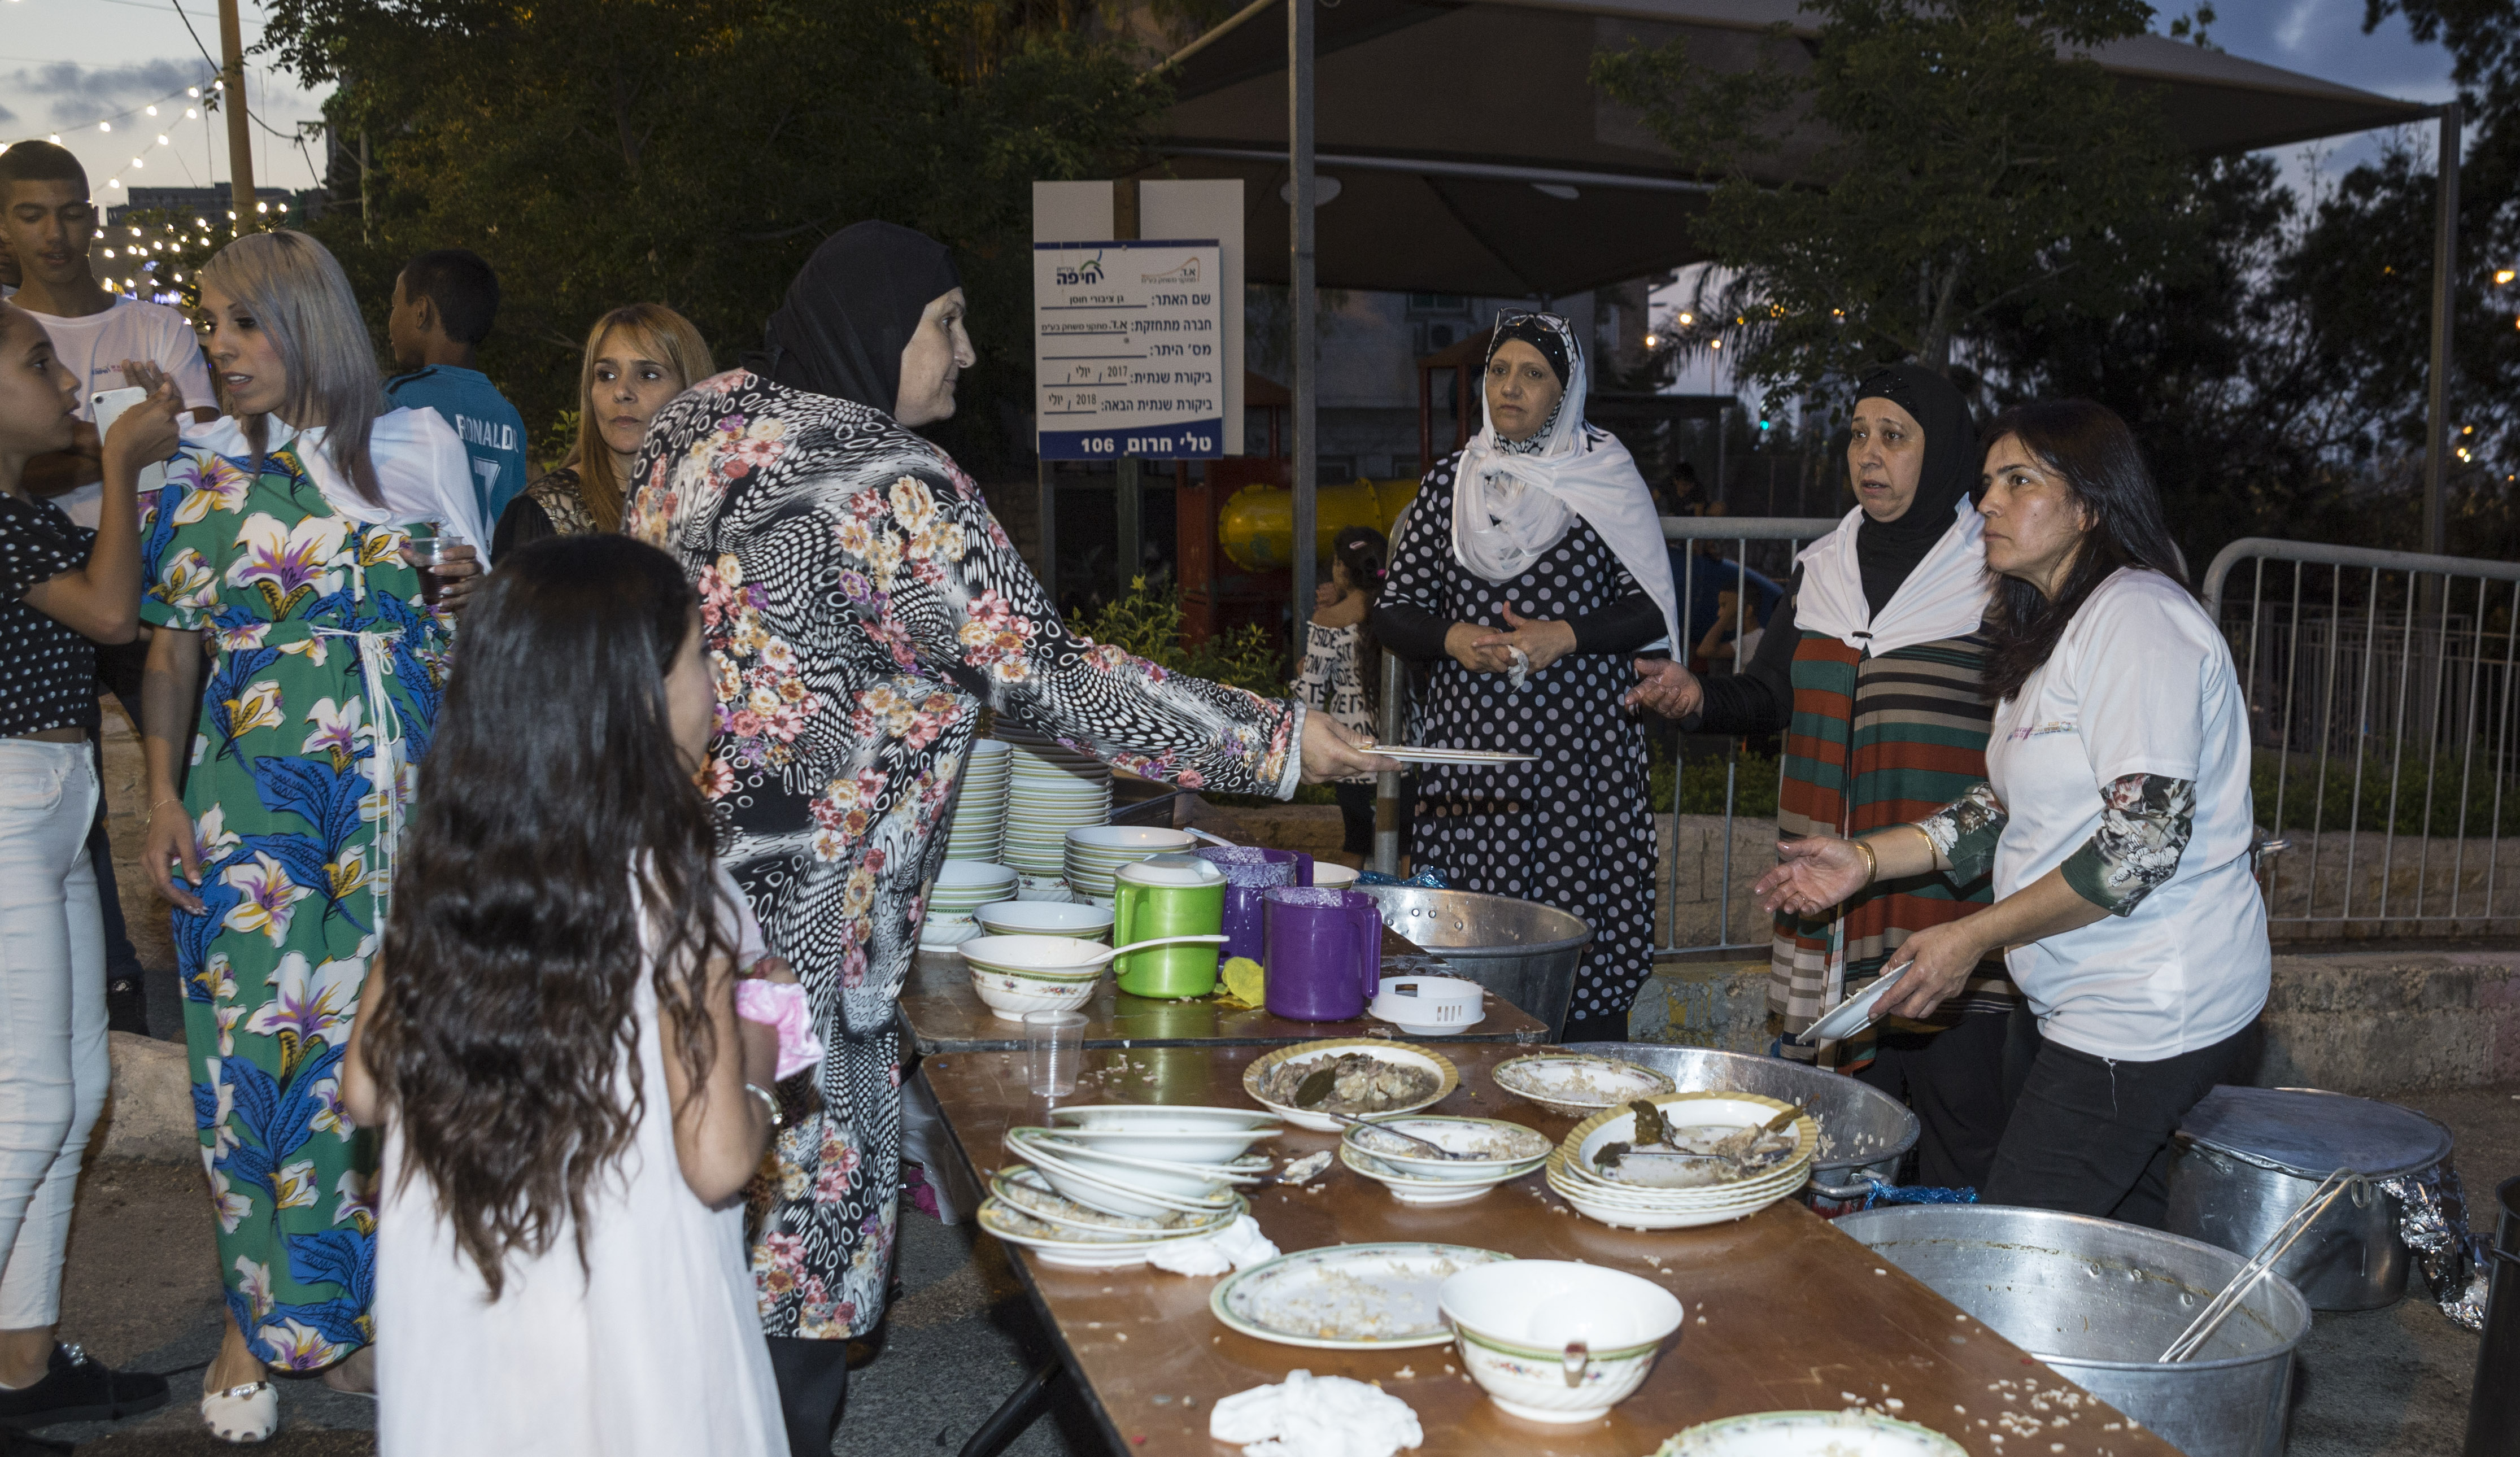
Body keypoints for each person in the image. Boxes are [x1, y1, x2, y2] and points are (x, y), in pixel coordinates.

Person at [627, 220, 1390, 1453]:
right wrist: (1280, 744)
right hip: (815, 931)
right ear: (881, 331)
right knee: (799, 1242)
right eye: (947, 320)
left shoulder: (689, 433)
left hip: (668, 885)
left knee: (685, 1200)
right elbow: (1052, 677)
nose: (968, 352)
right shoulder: (893, 489)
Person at [132, 230, 484, 1444]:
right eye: (207, 323)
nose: (214, 348)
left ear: (306, 320)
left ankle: (374, 1316)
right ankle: (251, 1319)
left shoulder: (418, 446)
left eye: (238, 322)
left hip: (405, 797)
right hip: (250, 805)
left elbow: (466, 605)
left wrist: (467, 596)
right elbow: (171, 647)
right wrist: (159, 796)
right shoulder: (195, 466)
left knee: (397, 1061)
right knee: (258, 1067)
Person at [1756, 399, 2266, 1224]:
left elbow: (2139, 846)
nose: (1987, 501)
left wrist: (1970, 937)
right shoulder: (2048, 633)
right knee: (2116, 1241)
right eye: (1988, 481)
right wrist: (1867, 860)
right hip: (2075, 992)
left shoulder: (2137, 619)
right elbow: (2002, 807)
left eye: (2019, 481)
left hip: (2148, 1003)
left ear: (2090, 506)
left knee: (2015, 1240)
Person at [345, 534, 786, 1456]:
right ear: (636, 700)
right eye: (700, 655)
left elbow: (364, 1089)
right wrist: (760, 1051)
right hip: (631, 1309)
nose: (716, 684)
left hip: (477, 1297)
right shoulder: (674, 890)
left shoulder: (451, 874)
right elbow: (714, 1161)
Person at [1626, 365, 2021, 1190]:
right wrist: (1696, 697)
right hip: (1830, 903)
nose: (1867, 455)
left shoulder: (1994, 578)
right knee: (1843, 1131)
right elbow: (1773, 694)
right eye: (1856, 434)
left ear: (1943, 450)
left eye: (1893, 436)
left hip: (1945, 896)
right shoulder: (1823, 567)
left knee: (1962, 1121)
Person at [1372, 311, 1678, 1043]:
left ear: (1563, 391)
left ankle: (1582, 1103)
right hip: (1475, 774)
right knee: (1469, 954)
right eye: (1498, 372)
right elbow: (1393, 613)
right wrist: (1452, 638)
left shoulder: (1602, 479)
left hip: (1581, 767)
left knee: (1585, 945)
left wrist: (1562, 637)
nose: (1510, 388)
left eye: (1532, 374)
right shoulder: (1450, 484)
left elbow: (1649, 608)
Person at [0, 299, 179, 1430]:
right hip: (11, 802)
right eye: (32, 360)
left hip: (53, 804)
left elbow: (144, 600)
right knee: (32, 1102)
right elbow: (115, 611)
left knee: (77, 1097)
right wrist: (119, 459)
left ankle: (19, 1371)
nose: (59, 370)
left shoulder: (25, 516)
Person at [3, 139, 219, 1034]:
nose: (57, 232)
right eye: (30, 213)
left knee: (189, 770)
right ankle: (109, 987)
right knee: (63, 796)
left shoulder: (155, 326)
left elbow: (205, 451)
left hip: (155, 585)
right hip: (60, 601)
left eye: (73, 210)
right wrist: (119, 453)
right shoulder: (8, 339)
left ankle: (209, 956)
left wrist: (95, 458)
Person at [492, 303, 710, 557]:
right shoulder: (544, 511)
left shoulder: (728, 503)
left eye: (648, 375)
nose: (621, 392)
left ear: (694, 391)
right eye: (606, 375)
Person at [385, 248, 530, 524]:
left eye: (394, 306)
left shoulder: (396, 399)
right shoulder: (508, 415)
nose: (390, 320)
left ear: (421, 312)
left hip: (432, 565)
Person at [1297, 525, 1401, 862]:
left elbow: (1312, 691)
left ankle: (1346, 913)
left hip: (1350, 747)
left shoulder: (1329, 620)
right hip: (1401, 743)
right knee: (1408, 840)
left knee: (1356, 839)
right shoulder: (1399, 610)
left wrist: (1302, 672)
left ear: (1342, 568)